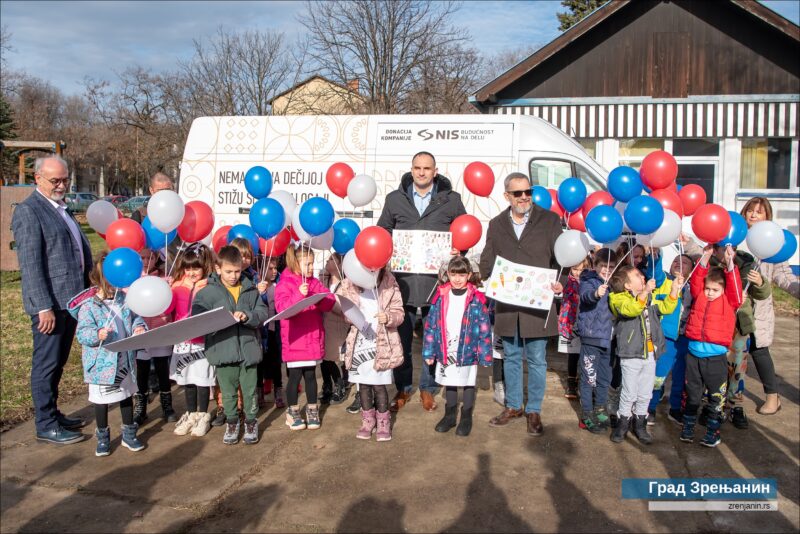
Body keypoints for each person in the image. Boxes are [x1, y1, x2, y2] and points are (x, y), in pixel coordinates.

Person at [12, 156, 93, 444]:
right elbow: (31, 265)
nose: (62, 185)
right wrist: (42, 307)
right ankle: (45, 423)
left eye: (65, 179)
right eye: (55, 180)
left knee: (58, 362)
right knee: (46, 363)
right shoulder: (29, 211)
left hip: (71, 300)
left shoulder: (61, 208)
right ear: (38, 179)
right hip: (51, 305)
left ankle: (53, 412)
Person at [376, 151, 466, 412]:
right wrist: (386, 246)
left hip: (436, 283)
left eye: (427, 168)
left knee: (433, 339)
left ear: (435, 171)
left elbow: (463, 233)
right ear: (411, 169)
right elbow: (383, 230)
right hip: (401, 283)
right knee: (401, 339)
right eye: (417, 167)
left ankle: (428, 388)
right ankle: (403, 389)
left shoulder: (451, 200)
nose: (422, 172)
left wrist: (459, 251)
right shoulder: (395, 199)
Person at [480, 172, 563, 436]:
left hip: (537, 304)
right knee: (511, 357)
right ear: (507, 196)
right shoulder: (495, 224)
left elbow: (559, 260)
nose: (525, 197)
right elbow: (487, 260)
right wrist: (488, 280)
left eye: (528, 191)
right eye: (518, 193)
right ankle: (514, 406)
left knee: (538, 359)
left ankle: (534, 410)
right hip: (508, 305)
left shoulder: (550, 220)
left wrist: (560, 282)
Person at [69, 252, 147, 456]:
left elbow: (137, 317)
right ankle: (103, 437)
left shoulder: (125, 300)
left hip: (124, 361)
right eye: (109, 282)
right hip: (102, 365)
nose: (114, 287)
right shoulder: (89, 306)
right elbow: (82, 333)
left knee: (126, 397)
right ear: (98, 280)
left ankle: (129, 434)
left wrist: (139, 327)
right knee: (101, 402)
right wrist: (97, 334)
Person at [192, 246, 269, 445]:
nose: (234, 276)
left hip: (248, 350)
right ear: (218, 269)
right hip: (223, 350)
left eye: (237, 271)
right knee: (227, 392)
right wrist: (217, 319)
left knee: (251, 391)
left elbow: (262, 313)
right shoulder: (206, 293)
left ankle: (251, 422)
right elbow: (197, 318)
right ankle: (232, 422)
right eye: (228, 272)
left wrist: (248, 316)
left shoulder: (250, 290)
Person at [738, 197, 799, 415]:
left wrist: (797, 289)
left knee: (759, 350)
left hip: (758, 311)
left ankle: (773, 397)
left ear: (767, 217)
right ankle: (728, 399)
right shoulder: (736, 238)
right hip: (734, 306)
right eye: (750, 211)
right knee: (730, 353)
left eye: (759, 212)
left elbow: (784, 276)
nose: (753, 215)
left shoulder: (773, 243)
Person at [608, 264, 680, 444]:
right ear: (627, 285)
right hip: (631, 353)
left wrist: (673, 292)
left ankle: (640, 423)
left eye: (642, 276)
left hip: (649, 354)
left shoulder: (649, 298)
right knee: (629, 391)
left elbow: (666, 308)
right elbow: (631, 309)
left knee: (645, 392)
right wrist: (645, 292)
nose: (643, 278)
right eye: (637, 276)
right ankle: (623, 422)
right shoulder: (617, 298)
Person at [423, 256, 492, 437]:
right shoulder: (441, 296)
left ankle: (466, 416)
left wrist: (485, 354)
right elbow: (431, 325)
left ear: (469, 275)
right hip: (446, 347)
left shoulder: (476, 299)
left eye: (462, 274)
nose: (457, 279)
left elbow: (484, 328)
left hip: (468, 349)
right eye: (454, 274)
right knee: (450, 381)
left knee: (468, 383)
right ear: (448, 274)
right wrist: (429, 351)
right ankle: (450, 415)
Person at [680, 244, 742, 448]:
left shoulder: (729, 301)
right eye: (707, 288)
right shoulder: (699, 295)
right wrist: (705, 257)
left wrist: (730, 262)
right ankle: (687, 429)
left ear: (723, 290)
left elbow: (735, 287)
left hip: (715, 360)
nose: (709, 292)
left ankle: (712, 433)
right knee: (692, 396)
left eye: (715, 289)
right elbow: (698, 279)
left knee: (716, 398)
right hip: (694, 356)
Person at [338, 265, 405, 441]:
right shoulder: (349, 282)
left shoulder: (389, 281)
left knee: (379, 384)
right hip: (360, 342)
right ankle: (368, 420)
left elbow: (399, 312)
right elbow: (344, 314)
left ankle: (383, 421)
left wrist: (388, 317)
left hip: (381, 343)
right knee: (364, 384)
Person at [274, 245, 336, 430]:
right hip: (295, 340)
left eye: (312, 263)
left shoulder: (314, 282)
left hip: (312, 339)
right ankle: (292, 412)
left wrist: (322, 296)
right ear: (295, 263)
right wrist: (299, 295)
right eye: (307, 264)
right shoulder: (285, 283)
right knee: (294, 377)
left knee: (310, 376)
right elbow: (282, 309)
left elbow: (328, 303)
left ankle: (312, 409)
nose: (311, 268)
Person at [169, 244, 216, 437]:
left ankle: (203, 415)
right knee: (187, 379)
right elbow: (167, 309)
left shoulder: (211, 286)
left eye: (196, 268)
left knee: (202, 380)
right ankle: (190, 413)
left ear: (204, 266)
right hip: (182, 342)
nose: (191, 272)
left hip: (202, 342)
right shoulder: (177, 285)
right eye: (188, 268)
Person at [644, 252, 694, 426]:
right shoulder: (664, 280)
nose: (679, 263)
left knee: (680, 376)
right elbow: (654, 271)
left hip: (685, 338)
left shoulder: (693, 286)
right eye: (676, 261)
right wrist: (656, 255)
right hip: (666, 338)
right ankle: (650, 407)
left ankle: (675, 408)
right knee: (658, 376)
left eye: (685, 262)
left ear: (692, 269)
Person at [573, 248, 617, 434]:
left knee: (604, 378)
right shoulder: (588, 281)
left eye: (611, 267)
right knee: (588, 377)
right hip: (591, 337)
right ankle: (586, 414)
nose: (607, 270)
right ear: (595, 265)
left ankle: (600, 409)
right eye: (603, 266)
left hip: (608, 339)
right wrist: (596, 294)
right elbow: (585, 297)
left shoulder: (616, 283)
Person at [133, 249, 176, 425]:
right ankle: (141, 407)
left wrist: (169, 285)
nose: (145, 261)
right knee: (142, 370)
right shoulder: (132, 280)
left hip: (160, 329)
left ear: (156, 258)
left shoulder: (164, 278)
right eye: (141, 257)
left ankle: (167, 405)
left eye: (149, 257)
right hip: (141, 331)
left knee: (162, 370)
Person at [558, 256, 591, 399]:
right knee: (573, 353)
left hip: (586, 321)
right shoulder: (567, 281)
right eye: (575, 269)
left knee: (585, 354)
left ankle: (583, 381)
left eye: (581, 269)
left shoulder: (590, 281)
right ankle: (571, 381)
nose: (578, 272)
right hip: (571, 320)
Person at [321, 253, 349, 405]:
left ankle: (340, 385)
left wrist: (328, 303)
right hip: (323, 325)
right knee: (323, 359)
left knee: (334, 358)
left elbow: (346, 307)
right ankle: (327, 386)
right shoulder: (323, 281)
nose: (327, 261)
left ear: (340, 264)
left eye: (332, 259)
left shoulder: (345, 284)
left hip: (337, 325)